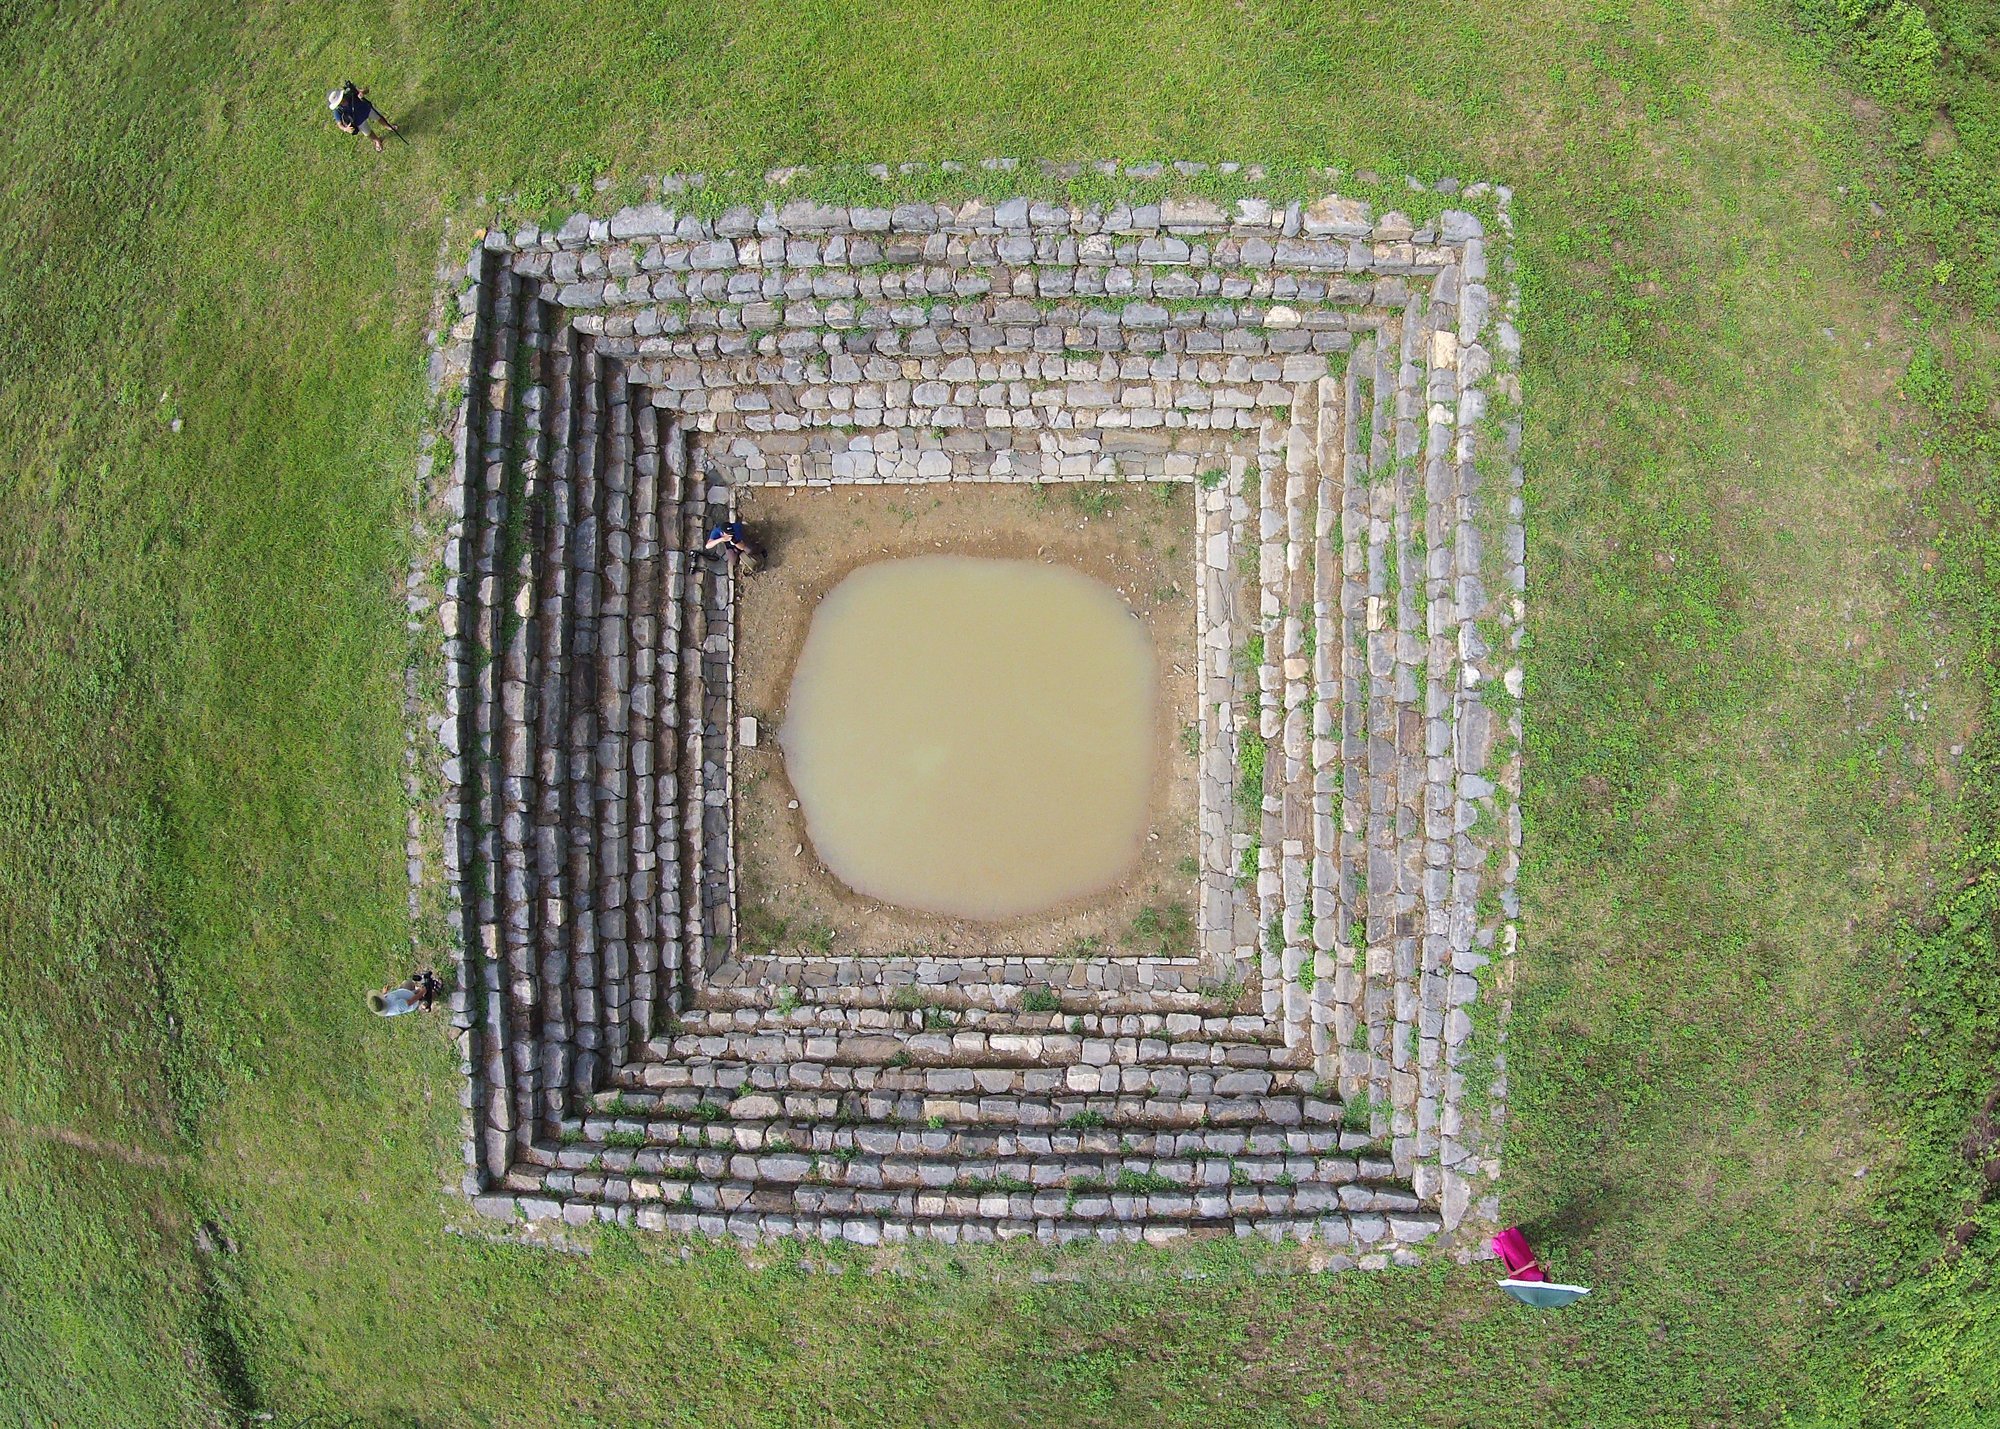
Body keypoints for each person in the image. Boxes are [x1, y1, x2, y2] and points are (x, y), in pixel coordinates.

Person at [329, 81, 385, 152]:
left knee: (378, 117)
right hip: (358, 121)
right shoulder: (337, 110)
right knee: (367, 132)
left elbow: (366, 91)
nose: (342, 102)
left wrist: (362, 92)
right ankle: (377, 140)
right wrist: (345, 129)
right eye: (339, 102)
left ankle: (389, 126)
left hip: (365, 109)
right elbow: (339, 124)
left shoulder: (350, 94)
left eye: (341, 99)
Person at [368, 968, 441, 1017]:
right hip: (412, 1001)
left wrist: (384, 993)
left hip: (404, 994)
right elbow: (411, 1001)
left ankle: (419, 990)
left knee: (407, 983)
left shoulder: (382, 1002)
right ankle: (430, 996)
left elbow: (385, 997)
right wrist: (422, 992)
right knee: (426, 996)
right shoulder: (397, 1006)